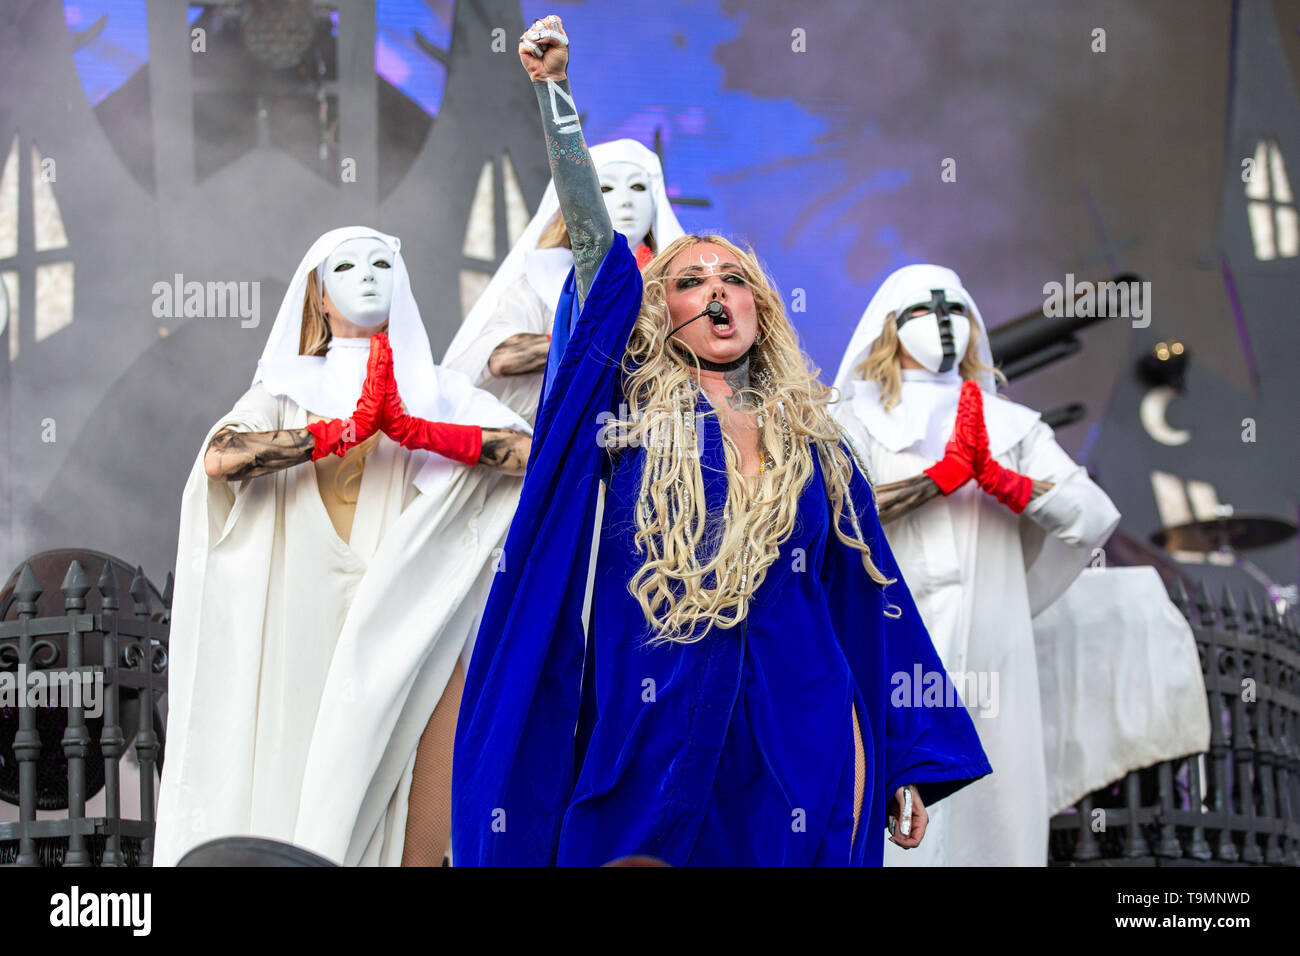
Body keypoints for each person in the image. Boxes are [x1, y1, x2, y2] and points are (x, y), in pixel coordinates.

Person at [450, 16, 991, 867]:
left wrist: (902, 759)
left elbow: (871, 599)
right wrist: (557, 102)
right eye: (690, 280)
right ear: (655, 311)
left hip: (802, 724)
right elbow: (597, 253)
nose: (716, 292)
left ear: (762, 310)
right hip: (653, 708)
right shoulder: (626, 414)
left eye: (735, 279)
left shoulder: (815, 444)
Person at [156, 226, 531, 867]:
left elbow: (530, 455)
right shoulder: (283, 391)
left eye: (382, 262)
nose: (367, 275)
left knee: (426, 773)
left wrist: (423, 431)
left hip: (407, 623)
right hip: (302, 615)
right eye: (348, 266)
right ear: (320, 299)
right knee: (297, 778)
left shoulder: (438, 391)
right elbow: (221, 460)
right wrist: (333, 433)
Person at [830, 263, 1121, 866]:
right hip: (888, 644)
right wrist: (936, 481)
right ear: (887, 329)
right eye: (923, 311)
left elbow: (1092, 516)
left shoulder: (1010, 427)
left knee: (997, 815)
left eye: (956, 310)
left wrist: (1006, 481)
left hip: (993, 646)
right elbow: (827, 519)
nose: (943, 324)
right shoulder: (848, 421)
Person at [442, 138, 685, 425]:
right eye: (606, 188)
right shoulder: (542, 281)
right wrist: (599, 334)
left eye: (638, 187)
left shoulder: (683, 286)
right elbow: (500, 359)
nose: (625, 201)